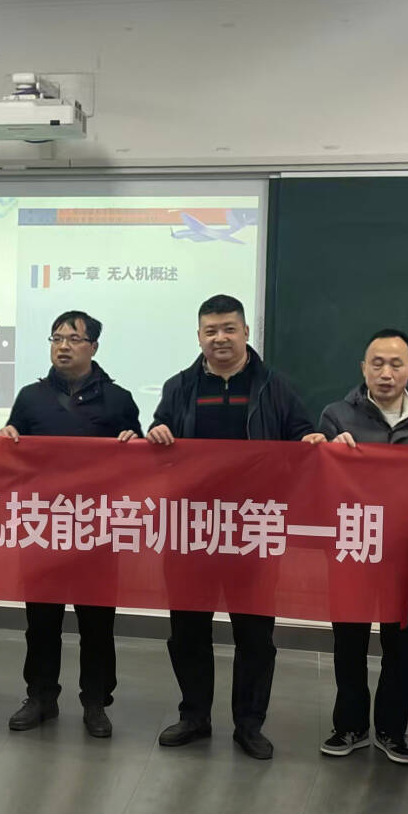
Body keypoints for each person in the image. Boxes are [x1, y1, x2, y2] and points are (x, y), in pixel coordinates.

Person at [139, 294, 321, 760]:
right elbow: (160, 434)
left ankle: (249, 724)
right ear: (199, 336)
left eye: (228, 329)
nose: (220, 338)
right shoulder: (180, 386)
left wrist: (309, 438)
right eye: (211, 331)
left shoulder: (275, 387)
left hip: (253, 528)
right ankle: (194, 716)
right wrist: (156, 432)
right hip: (191, 527)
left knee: (255, 634)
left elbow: (300, 434)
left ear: (245, 333)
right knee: (187, 630)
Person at [317, 328, 408, 764]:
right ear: (363, 367)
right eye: (377, 363)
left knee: (402, 646)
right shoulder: (337, 415)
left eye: (396, 364)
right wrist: (328, 452)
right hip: (353, 547)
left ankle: (392, 730)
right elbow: (316, 477)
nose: (386, 373)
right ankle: (350, 726)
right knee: (349, 643)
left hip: (407, 550)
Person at [0, 310, 142, 739]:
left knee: (97, 624)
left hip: (97, 529)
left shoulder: (118, 399)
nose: (63, 346)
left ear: (93, 347)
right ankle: (40, 696)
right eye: (57, 338)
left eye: (74, 339)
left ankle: (95, 702)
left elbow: (139, 464)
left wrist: (133, 443)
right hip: (43, 527)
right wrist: (5, 438)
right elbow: (12, 452)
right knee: (41, 621)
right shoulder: (30, 397)